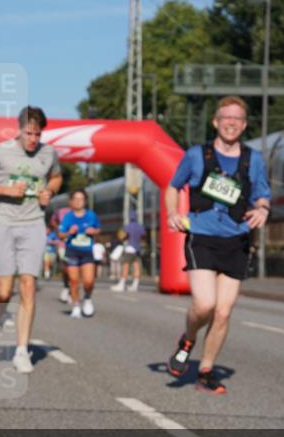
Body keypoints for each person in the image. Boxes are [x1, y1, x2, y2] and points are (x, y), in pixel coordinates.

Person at [165, 96, 271, 394]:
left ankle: (207, 371)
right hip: (202, 235)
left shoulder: (254, 160)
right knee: (205, 304)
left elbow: (263, 194)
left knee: (223, 312)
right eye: (226, 116)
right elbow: (173, 186)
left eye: (237, 118)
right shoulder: (197, 155)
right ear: (215, 121)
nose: (231, 122)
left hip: (237, 239)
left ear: (244, 124)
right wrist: (173, 212)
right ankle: (187, 339)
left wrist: (262, 209)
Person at [0, 106, 62, 373]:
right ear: (19, 129)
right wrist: (6, 190)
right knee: (3, 290)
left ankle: (22, 350)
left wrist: (48, 190)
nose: (33, 139)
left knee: (28, 285)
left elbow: (56, 177)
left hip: (34, 223)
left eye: (37, 134)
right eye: (28, 133)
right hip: (3, 223)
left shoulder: (48, 154)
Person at [58, 189, 100, 318]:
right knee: (74, 281)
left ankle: (87, 298)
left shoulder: (91, 215)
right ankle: (76, 306)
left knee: (88, 281)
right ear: (71, 202)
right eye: (75, 199)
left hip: (87, 252)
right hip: (72, 252)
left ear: (85, 201)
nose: (78, 201)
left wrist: (93, 231)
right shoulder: (68, 217)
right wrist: (69, 233)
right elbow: (60, 234)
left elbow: (98, 229)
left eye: (81, 199)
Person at [112, 211, 145, 292]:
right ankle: (135, 285)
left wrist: (123, 238)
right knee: (136, 267)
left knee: (125, 266)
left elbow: (124, 236)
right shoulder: (140, 227)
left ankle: (122, 284)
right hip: (137, 249)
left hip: (129, 248)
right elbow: (143, 236)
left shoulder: (128, 226)